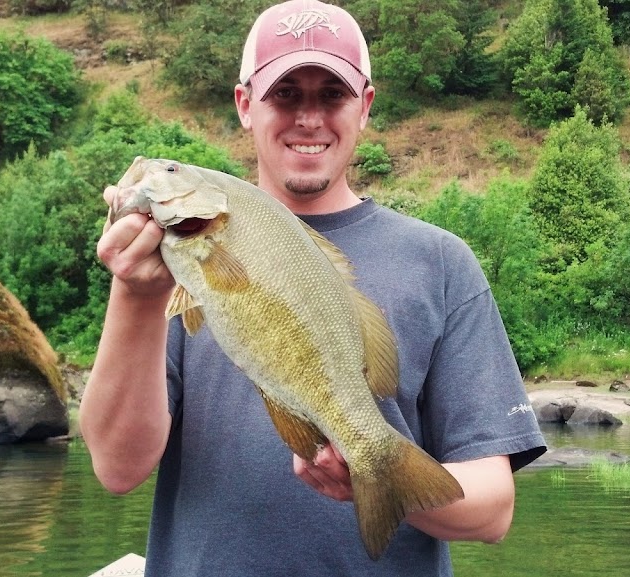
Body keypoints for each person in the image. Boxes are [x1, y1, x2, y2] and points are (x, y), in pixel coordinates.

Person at [80, 0, 547, 574]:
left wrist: (377, 477)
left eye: (332, 95)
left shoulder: (442, 264)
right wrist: (136, 296)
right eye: (285, 94)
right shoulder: (167, 267)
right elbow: (117, 468)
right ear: (245, 104)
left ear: (365, 106)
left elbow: (492, 511)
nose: (309, 118)